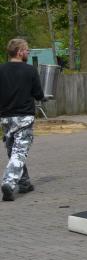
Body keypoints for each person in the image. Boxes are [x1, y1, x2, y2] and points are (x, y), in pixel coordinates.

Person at [0, 38, 44, 201]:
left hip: (6, 118)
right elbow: (38, 94)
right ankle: (9, 183)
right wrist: (43, 97)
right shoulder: (30, 70)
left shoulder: (1, 70)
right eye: (26, 50)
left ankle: (24, 183)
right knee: (19, 152)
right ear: (19, 52)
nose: (28, 52)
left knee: (13, 151)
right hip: (24, 117)